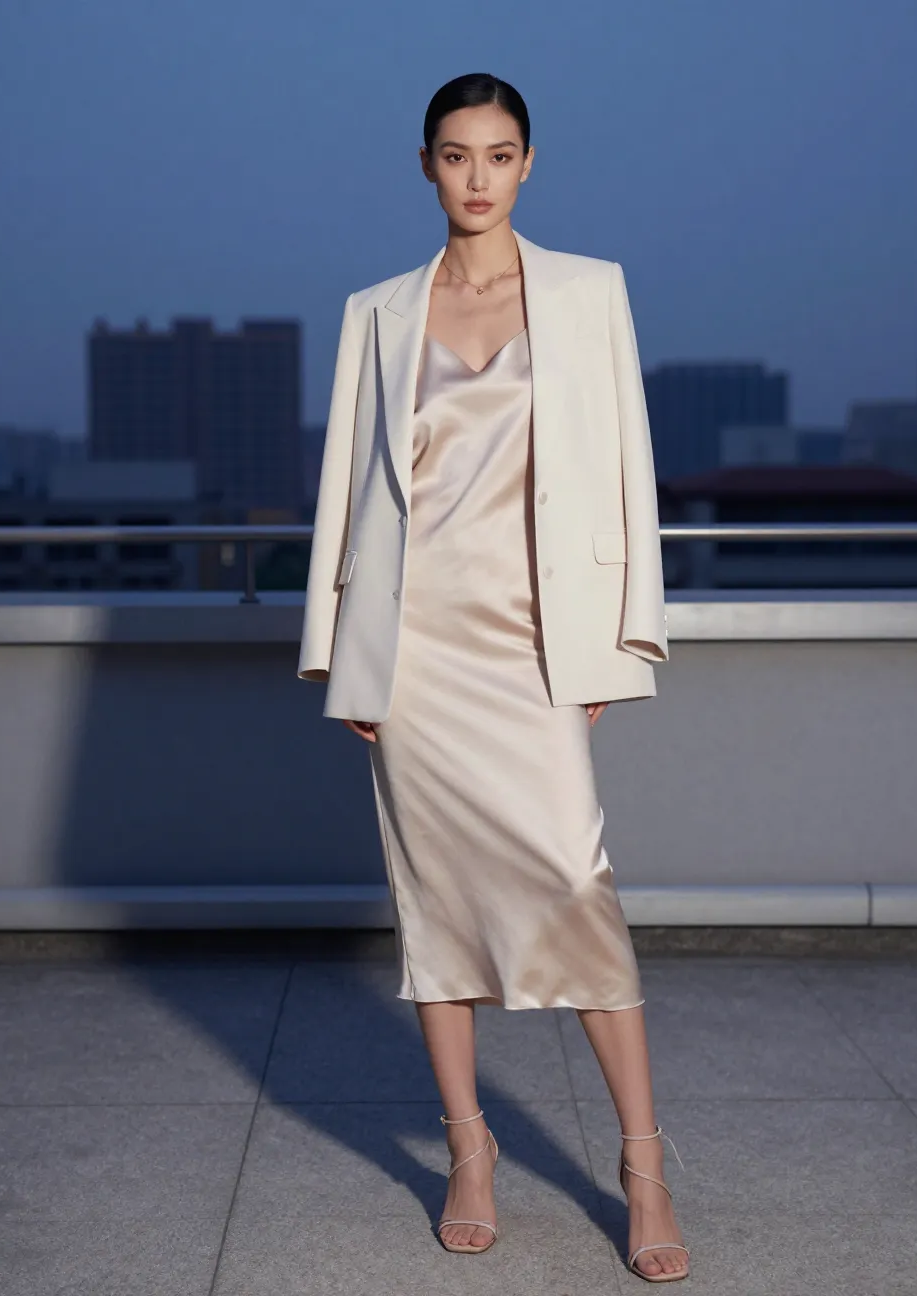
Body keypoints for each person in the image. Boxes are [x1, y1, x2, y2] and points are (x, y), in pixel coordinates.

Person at [296, 72, 688, 1284]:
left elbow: (629, 463)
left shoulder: (586, 293)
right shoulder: (378, 311)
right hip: (415, 651)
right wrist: (341, 653)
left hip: (535, 639)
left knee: (578, 884)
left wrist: (624, 638)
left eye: (500, 154)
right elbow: (347, 499)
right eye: (457, 156)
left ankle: (643, 1165)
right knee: (437, 903)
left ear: (530, 166)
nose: (478, 177)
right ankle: (469, 1151)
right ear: (427, 166)